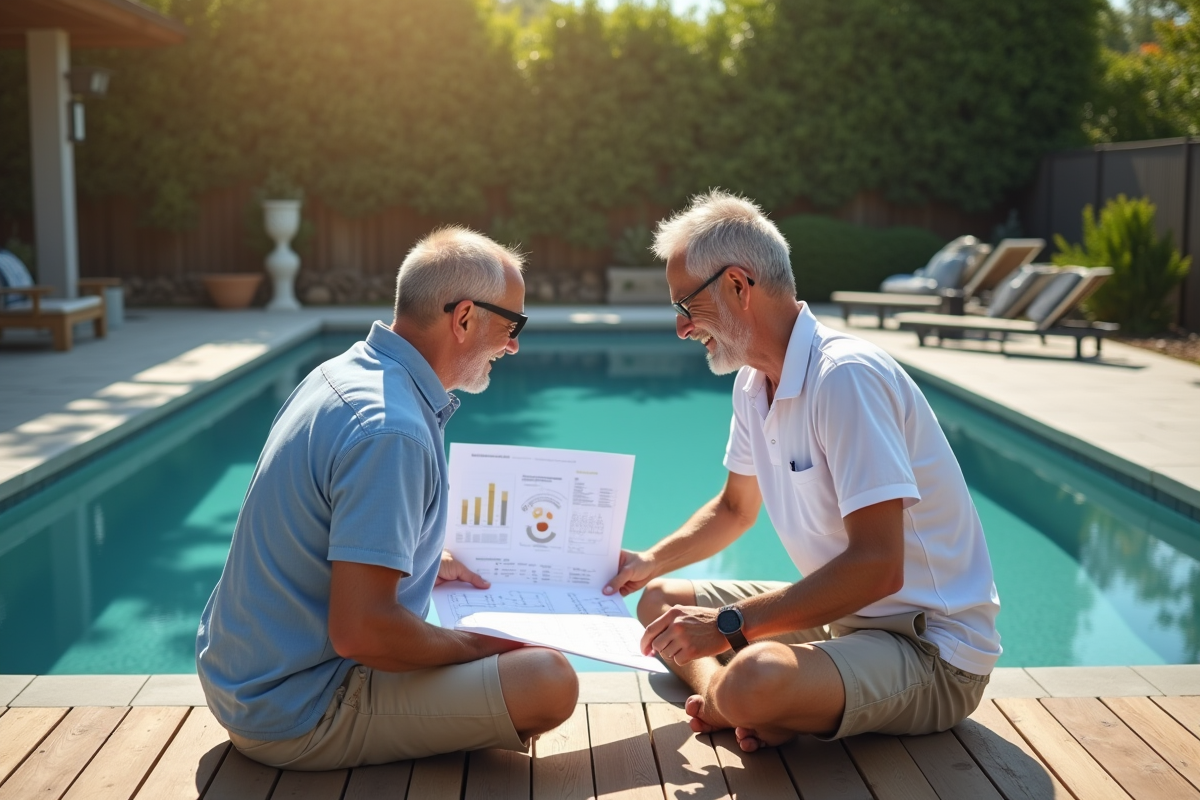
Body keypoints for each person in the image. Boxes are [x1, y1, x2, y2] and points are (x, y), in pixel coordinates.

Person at [604, 191, 1001, 752]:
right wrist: (648, 562)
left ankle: (736, 696)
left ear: (739, 286)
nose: (681, 328)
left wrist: (725, 627)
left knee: (755, 674)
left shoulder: (845, 378)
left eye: (686, 306)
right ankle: (730, 702)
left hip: (929, 651)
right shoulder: (753, 383)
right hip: (845, 618)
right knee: (659, 602)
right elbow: (735, 508)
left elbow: (879, 566)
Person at [197, 227, 578, 770]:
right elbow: (361, 631)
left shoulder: (343, 374)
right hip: (298, 712)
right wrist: (478, 645)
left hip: (245, 681)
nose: (514, 343)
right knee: (548, 680)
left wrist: (424, 558)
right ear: (464, 318)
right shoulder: (393, 432)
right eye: (511, 323)